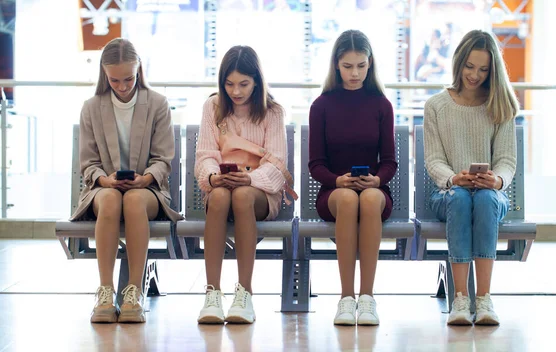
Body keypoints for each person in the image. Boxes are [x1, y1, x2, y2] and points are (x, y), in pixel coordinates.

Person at [70, 38, 182, 323]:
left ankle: (133, 292)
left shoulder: (157, 104)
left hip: (147, 190)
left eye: (129, 79)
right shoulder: (92, 107)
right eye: (115, 80)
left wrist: (145, 179)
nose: (122, 86)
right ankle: (105, 291)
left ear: (139, 70)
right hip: (103, 190)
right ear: (104, 75)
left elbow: (163, 159)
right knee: (110, 199)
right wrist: (104, 180)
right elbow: (88, 163)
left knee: (131, 200)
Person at [424, 29, 519, 326]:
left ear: (492, 71)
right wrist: (454, 178)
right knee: (462, 198)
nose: (474, 75)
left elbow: (506, 161)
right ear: (458, 62)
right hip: (449, 193)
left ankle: (484, 299)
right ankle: (461, 299)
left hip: (489, 196)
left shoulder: (500, 106)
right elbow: (434, 160)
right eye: (469, 66)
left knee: (486, 198)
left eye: (483, 69)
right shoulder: (437, 106)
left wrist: (497, 180)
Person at [195, 45, 295, 324]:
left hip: (261, 192)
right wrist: (215, 178)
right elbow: (205, 156)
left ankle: (245, 293)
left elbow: (276, 165)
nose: (236, 91)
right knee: (218, 197)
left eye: (243, 84)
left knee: (241, 196)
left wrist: (249, 178)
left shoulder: (272, 112)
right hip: (222, 187)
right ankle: (212, 293)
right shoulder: (212, 107)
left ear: (256, 82)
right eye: (229, 84)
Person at [309, 30, 397, 326]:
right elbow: (316, 165)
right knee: (348, 198)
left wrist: (376, 180)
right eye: (348, 66)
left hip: (373, 189)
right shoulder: (321, 106)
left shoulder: (381, 105)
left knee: (371, 198)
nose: (355, 73)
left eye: (361, 65)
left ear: (370, 64)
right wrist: (338, 181)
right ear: (336, 65)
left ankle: (367, 298)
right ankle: (346, 298)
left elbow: (389, 163)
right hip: (334, 192)